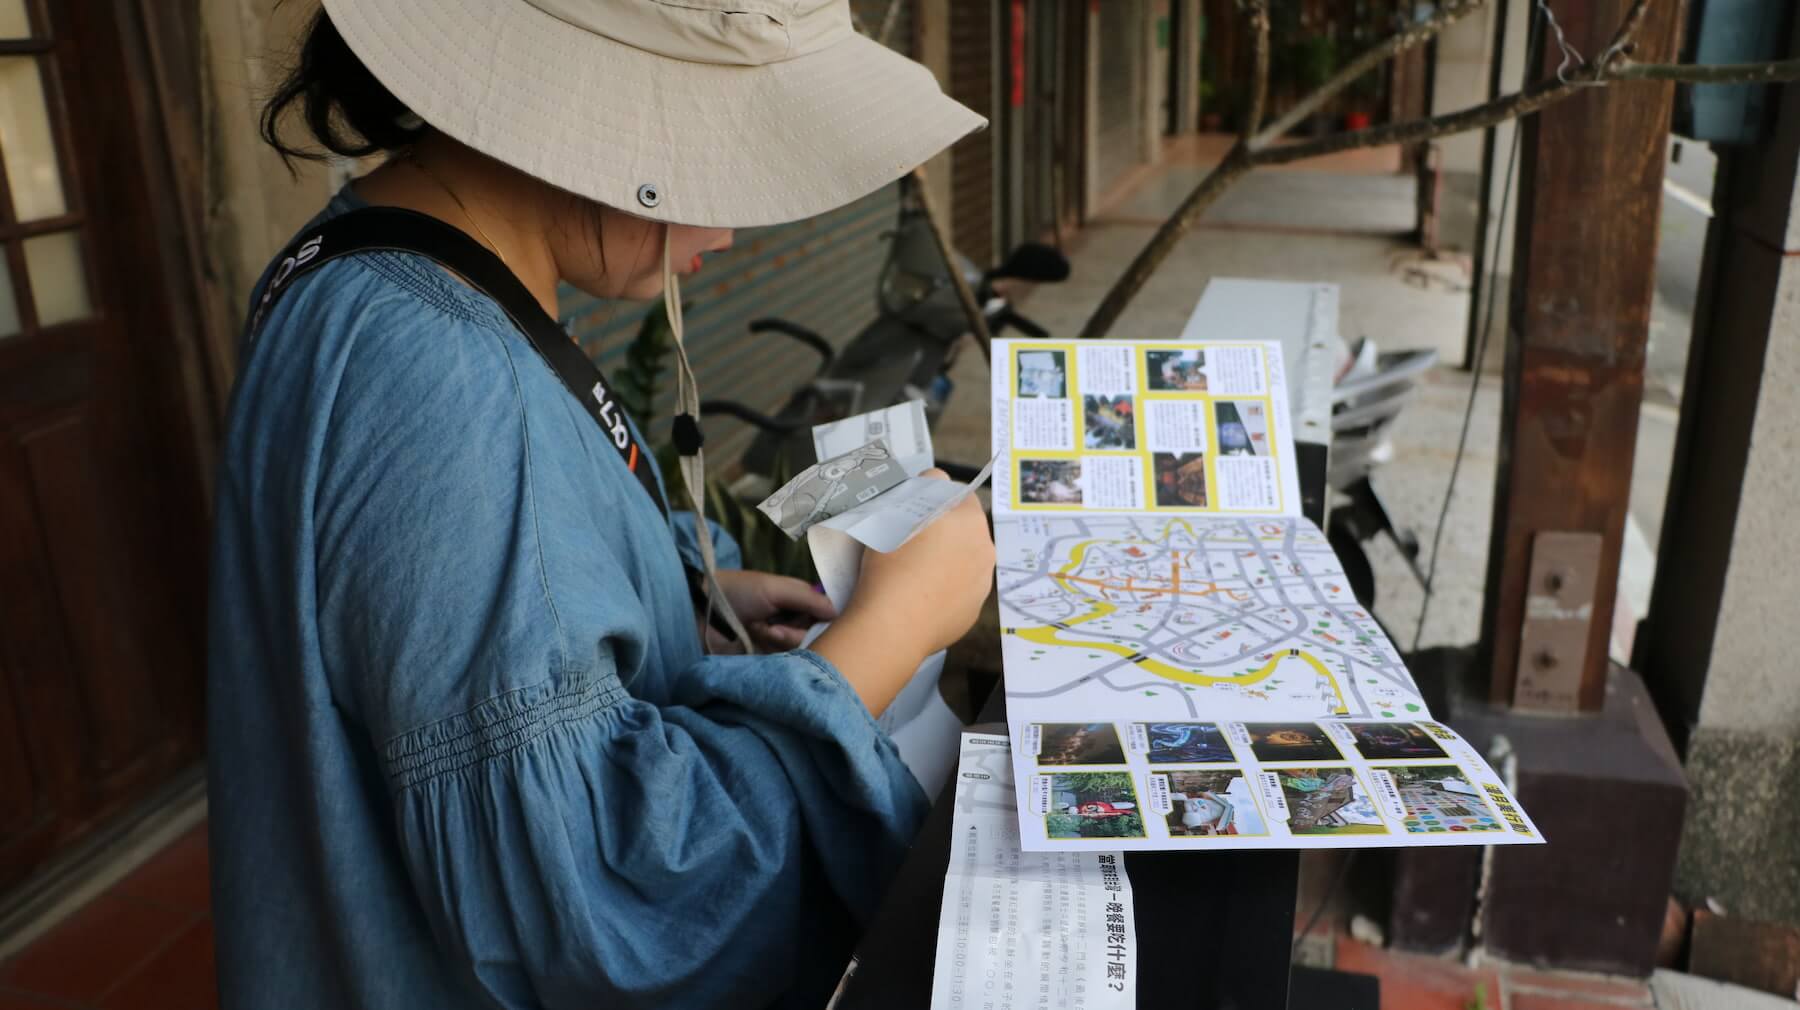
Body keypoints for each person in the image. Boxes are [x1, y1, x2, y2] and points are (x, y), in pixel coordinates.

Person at [206, 2, 993, 1008]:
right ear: (595, 115)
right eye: (725, 155)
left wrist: (676, 588)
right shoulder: (448, 374)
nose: (730, 225)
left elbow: (459, 604)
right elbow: (608, 901)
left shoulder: (363, 267)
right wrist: (893, 629)